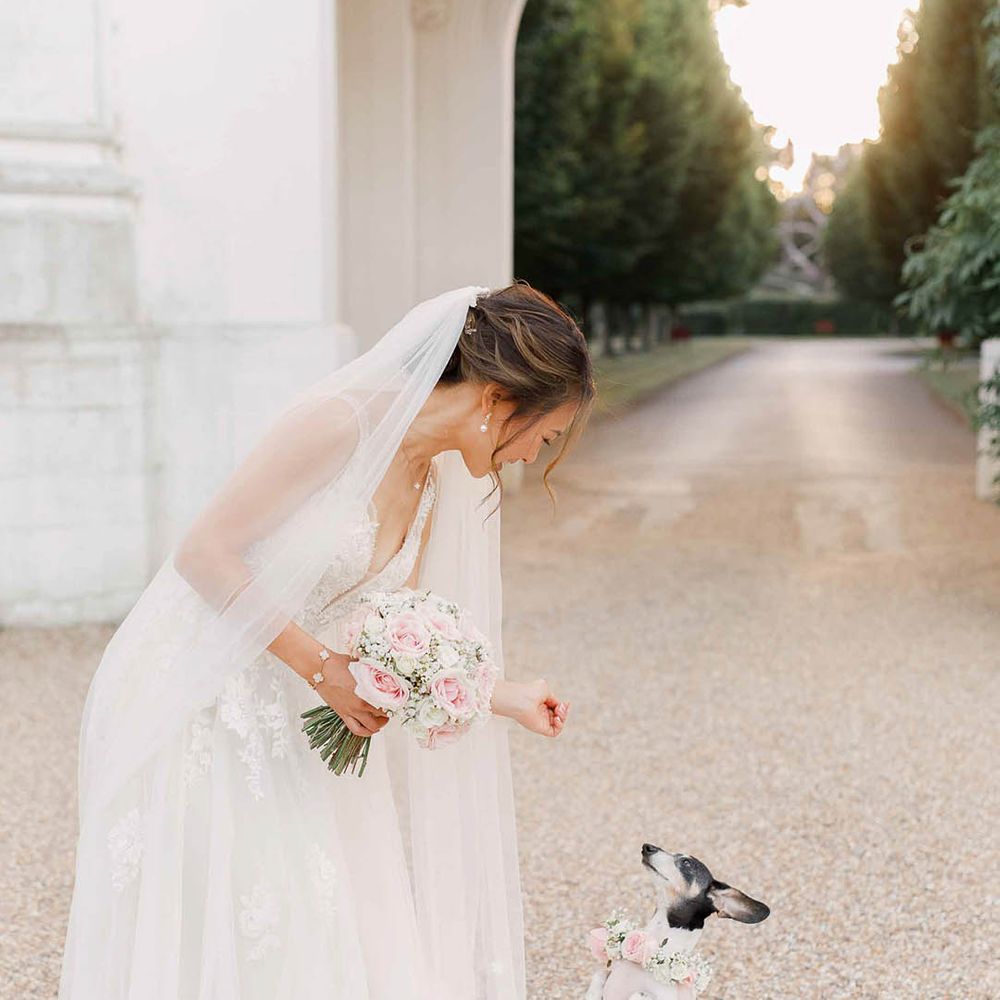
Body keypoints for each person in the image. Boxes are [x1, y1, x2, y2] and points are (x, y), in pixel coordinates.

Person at [58, 281, 597, 999]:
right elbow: (206, 553)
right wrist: (321, 672)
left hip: (299, 719)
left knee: (322, 937)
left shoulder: (431, 483)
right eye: (544, 435)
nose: (532, 455)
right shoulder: (339, 425)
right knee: (252, 932)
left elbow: (381, 637)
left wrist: (501, 695)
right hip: (206, 702)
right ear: (496, 401)